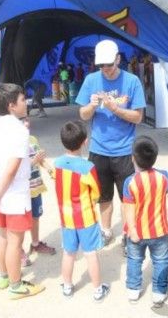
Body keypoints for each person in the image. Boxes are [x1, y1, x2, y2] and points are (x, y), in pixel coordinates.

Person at [0, 83, 45, 300]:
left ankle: (4, 276)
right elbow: (12, 169)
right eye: (23, 99)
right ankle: (16, 285)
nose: (27, 102)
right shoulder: (19, 131)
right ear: (12, 105)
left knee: (3, 236)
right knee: (15, 241)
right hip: (14, 195)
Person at [75, 39, 146, 247]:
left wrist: (115, 109)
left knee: (127, 198)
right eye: (101, 65)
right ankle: (106, 231)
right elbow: (83, 115)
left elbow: (138, 117)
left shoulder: (132, 81)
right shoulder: (91, 80)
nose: (105, 69)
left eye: (109, 64)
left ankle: (127, 233)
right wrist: (92, 106)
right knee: (103, 195)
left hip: (124, 149)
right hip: (98, 149)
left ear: (118, 59)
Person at [54, 120, 110, 301]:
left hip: (66, 218)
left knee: (69, 253)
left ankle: (68, 286)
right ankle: (97, 289)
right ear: (85, 141)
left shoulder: (58, 163)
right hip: (86, 217)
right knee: (90, 253)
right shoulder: (88, 168)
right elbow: (96, 193)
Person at [123, 135, 168, 307]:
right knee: (161, 261)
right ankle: (159, 293)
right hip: (159, 231)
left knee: (134, 260)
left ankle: (133, 290)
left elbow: (128, 208)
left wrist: (132, 229)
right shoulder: (164, 177)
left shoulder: (130, 181)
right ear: (155, 158)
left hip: (137, 232)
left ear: (133, 158)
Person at [20, 117, 56, 267]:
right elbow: (16, 168)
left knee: (35, 216)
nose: (26, 123)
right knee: (21, 221)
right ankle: (18, 250)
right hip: (22, 190)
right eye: (22, 121)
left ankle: (35, 243)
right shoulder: (12, 144)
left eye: (27, 119)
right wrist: (34, 160)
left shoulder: (33, 139)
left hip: (36, 186)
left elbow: (39, 159)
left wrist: (48, 168)